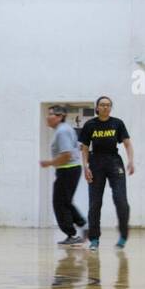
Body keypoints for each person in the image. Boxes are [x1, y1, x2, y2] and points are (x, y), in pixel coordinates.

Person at [78, 97, 133, 250]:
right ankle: (94, 239)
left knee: (121, 200)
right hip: (96, 163)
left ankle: (123, 235)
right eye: (102, 105)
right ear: (97, 107)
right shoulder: (90, 125)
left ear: (111, 108)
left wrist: (131, 161)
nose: (105, 108)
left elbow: (127, 143)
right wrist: (86, 166)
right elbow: (84, 148)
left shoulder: (117, 123)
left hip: (114, 162)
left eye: (108, 105)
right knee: (95, 203)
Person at [40, 105, 85, 244]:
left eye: (51, 114)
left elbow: (66, 155)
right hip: (71, 169)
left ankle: (72, 235)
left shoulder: (62, 131)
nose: (48, 117)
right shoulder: (66, 129)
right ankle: (83, 225)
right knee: (65, 202)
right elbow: (79, 146)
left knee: (59, 203)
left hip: (68, 169)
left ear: (60, 116)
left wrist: (49, 163)